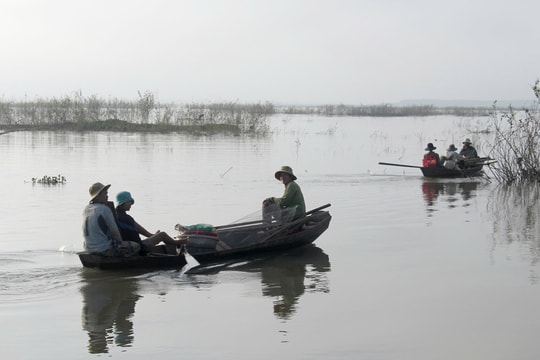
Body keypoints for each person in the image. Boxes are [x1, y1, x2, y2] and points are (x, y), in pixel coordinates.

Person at [115, 191, 185, 254]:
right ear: (123, 203)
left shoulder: (116, 215)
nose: (131, 204)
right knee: (162, 235)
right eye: (129, 202)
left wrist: (153, 236)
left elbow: (140, 230)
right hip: (139, 247)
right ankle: (177, 243)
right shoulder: (126, 218)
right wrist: (155, 236)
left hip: (132, 245)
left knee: (159, 236)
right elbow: (140, 230)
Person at [82, 182, 140, 256]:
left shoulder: (86, 209)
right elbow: (115, 232)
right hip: (103, 249)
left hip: (88, 248)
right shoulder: (104, 209)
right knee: (137, 246)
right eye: (105, 194)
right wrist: (121, 244)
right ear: (98, 196)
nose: (107, 196)